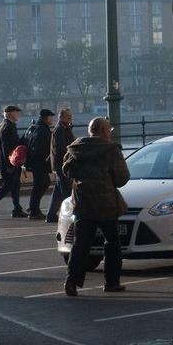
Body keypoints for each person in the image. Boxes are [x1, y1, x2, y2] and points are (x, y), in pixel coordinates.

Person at [61, 117, 130, 296]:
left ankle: (71, 281)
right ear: (103, 131)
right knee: (112, 243)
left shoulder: (75, 148)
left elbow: (66, 171)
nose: (110, 133)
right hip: (106, 204)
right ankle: (111, 282)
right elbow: (122, 178)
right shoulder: (110, 150)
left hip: (83, 203)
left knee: (80, 245)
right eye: (109, 130)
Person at [24, 109, 56, 219]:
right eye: (50, 117)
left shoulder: (34, 127)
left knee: (45, 182)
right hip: (40, 163)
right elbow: (39, 148)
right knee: (38, 186)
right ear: (45, 118)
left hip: (35, 162)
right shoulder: (42, 130)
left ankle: (33, 206)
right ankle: (34, 211)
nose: (52, 119)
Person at [46, 107, 76, 223]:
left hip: (60, 165)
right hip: (62, 166)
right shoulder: (60, 130)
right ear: (61, 117)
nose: (70, 118)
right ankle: (69, 216)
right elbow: (62, 149)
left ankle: (51, 214)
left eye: (71, 116)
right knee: (66, 193)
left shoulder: (63, 128)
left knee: (58, 192)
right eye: (68, 116)